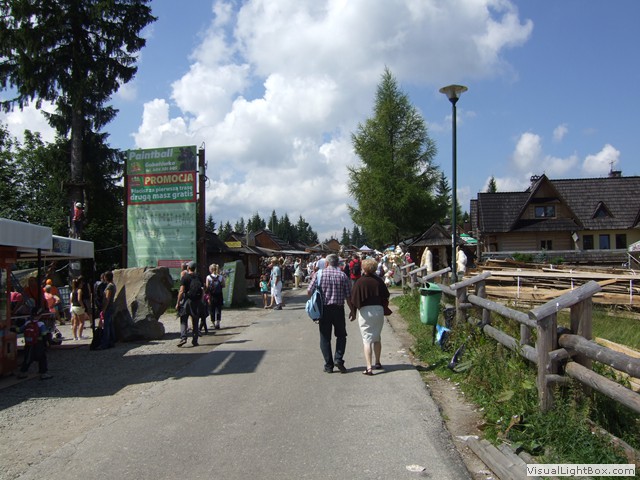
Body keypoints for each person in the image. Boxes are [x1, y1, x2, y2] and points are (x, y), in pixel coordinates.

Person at [307, 253, 355, 374]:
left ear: (327, 263)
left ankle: (329, 365)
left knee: (325, 338)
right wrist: (352, 310)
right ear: (337, 263)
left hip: (324, 310)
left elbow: (309, 291)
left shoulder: (319, 274)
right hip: (338, 309)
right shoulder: (343, 275)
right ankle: (338, 359)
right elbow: (348, 296)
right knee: (341, 335)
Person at [350, 258, 390, 376]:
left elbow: (354, 298)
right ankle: (377, 362)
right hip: (378, 310)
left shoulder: (360, 282)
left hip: (365, 311)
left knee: (367, 339)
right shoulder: (379, 281)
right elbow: (386, 295)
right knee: (377, 337)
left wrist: (353, 311)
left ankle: (369, 367)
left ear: (364, 268)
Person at [15, 315, 52, 380]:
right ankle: (43, 373)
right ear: (39, 316)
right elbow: (44, 334)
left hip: (28, 343)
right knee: (42, 358)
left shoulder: (27, 323)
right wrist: (46, 343)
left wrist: (13, 328)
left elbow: (19, 330)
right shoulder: (41, 324)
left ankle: (22, 373)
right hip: (38, 343)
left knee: (28, 358)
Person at [175, 261, 202, 347]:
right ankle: (195, 340)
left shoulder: (185, 277)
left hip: (187, 301)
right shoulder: (199, 277)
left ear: (188, 268)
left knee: (183, 319)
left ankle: (183, 338)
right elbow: (203, 288)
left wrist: (178, 302)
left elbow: (181, 291)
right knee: (195, 320)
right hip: (196, 301)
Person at [99, 271, 117, 350]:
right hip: (111, 306)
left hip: (108, 307)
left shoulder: (109, 286)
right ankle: (111, 341)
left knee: (106, 326)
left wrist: (104, 309)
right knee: (110, 325)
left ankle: (105, 343)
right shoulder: (113, 285)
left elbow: (107, 298)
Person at [206, 263, 225, 330]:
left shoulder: (208, 277)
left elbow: (207, 287)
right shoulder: (220, 277)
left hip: (212, 295)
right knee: (218, 309)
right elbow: (223, 285)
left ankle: (213, 322)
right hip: (219, 295)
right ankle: (218, 322)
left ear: (211, 269)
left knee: (212, 309)